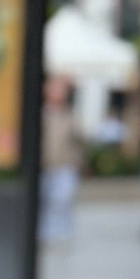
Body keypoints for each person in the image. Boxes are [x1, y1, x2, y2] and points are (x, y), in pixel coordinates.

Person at [39, 73, 81, 242]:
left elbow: (79, 137)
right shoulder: (41, 113)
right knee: (43, 200)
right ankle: (43, 232)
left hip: (65, 165)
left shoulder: (69, 114)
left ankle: (62, 232)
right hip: (45, 165)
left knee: (63, 201)